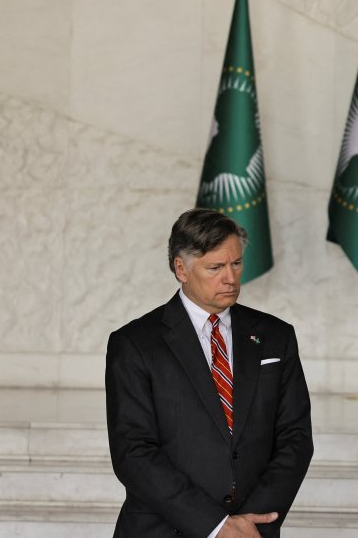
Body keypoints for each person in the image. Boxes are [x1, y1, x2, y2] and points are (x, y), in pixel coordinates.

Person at [105, 209, 313, 537]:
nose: (230, 278)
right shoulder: (134, 344)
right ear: (180, 269)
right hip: (162, 529)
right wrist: (216, 527)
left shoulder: (276, 336)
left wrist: (247, 524)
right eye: (215, 267)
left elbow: (295, 438)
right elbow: (133, 452)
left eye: (236, 264)